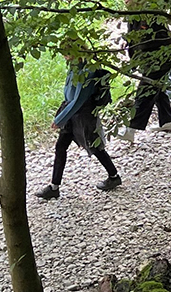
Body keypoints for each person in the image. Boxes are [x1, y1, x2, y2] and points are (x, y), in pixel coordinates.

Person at [36, 36, 119, 198]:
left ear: (75, 51)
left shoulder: (89, 69)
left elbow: (79, 100)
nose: (65, 57)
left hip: (83, 114)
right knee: (61, 147)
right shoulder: (75, 66)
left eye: (67, 53)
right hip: (70, 112)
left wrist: (59, 119)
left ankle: (114, 176)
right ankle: (54, 187)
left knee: (95, 146)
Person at [122, 0, 171, 144]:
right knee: (158, 89)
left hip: (160, 60)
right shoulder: (132, 16)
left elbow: (166, 37)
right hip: (146, 61)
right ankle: (167, 121)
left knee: (145, 92)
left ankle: (131, 129)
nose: (125, 0)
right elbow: (132, 39)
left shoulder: (152, 15)